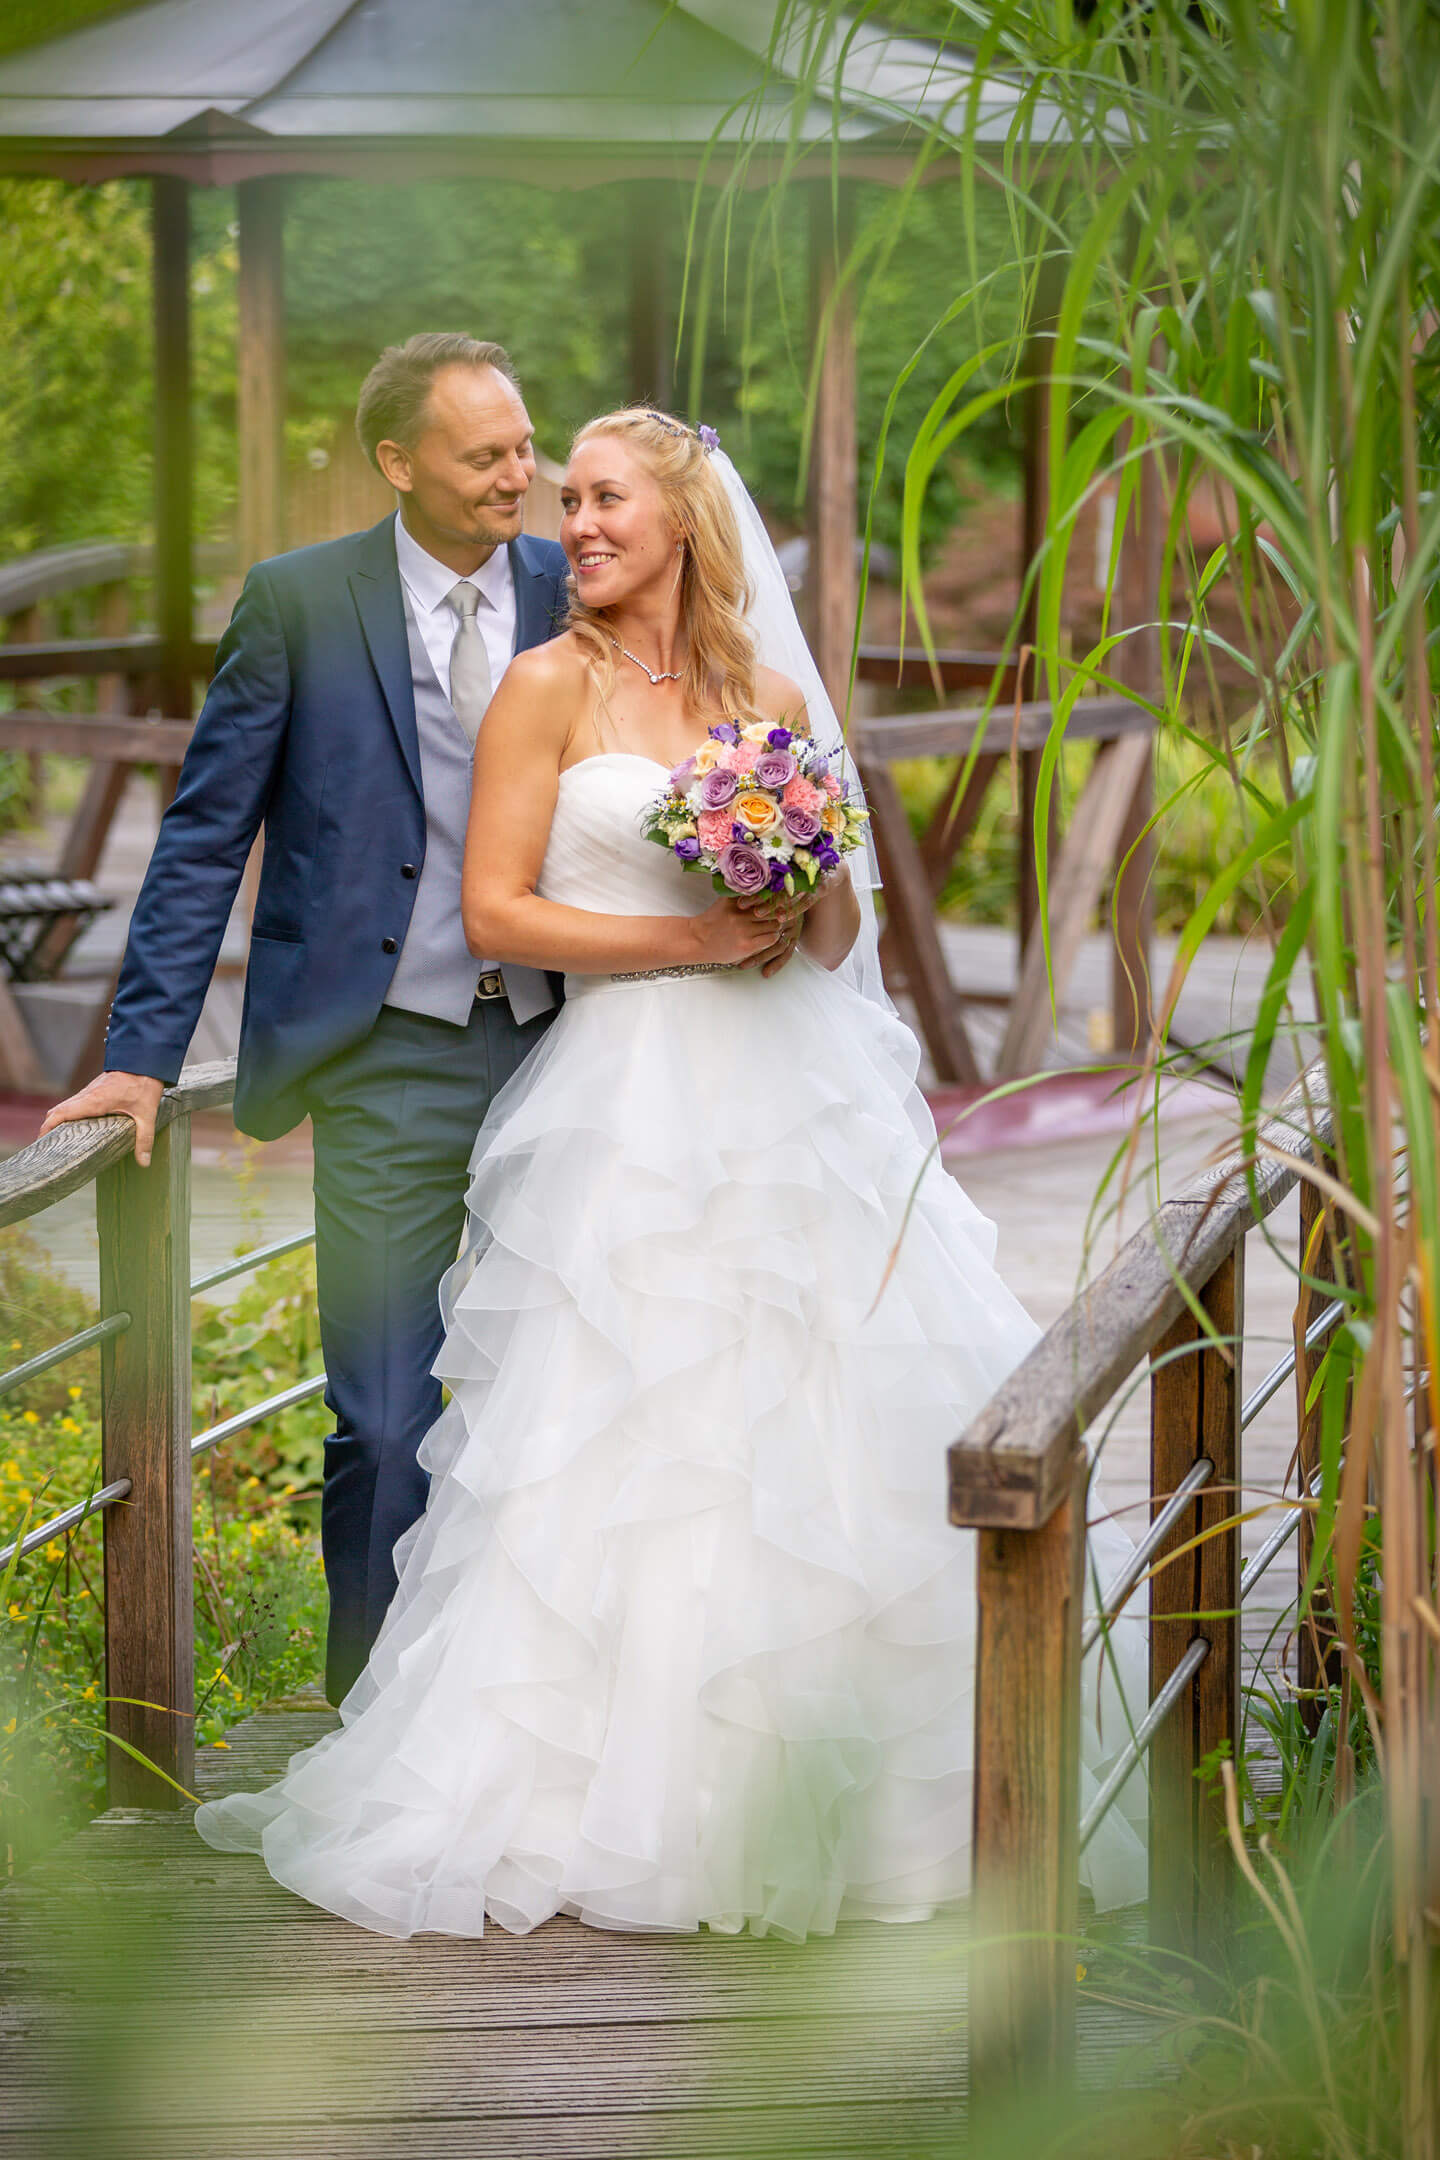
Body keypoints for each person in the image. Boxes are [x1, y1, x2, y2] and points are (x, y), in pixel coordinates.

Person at [194, 406, 1147, 1937]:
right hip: (624, 1098)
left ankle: (851, 1799)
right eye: (566, 500)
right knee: (626, 1423)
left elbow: (835, 941)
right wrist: (689, 933)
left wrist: (792, 866)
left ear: (686, 521)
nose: (573, 524)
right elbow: (498, 913)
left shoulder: (770, 695)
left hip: (793, 1094)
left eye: (604, 499)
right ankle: (613, 1797)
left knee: (814, 1414)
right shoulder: (543, 687)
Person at [40, 335, 571, 1706]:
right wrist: (140, 1060)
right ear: (398, 462)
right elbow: (203, 839)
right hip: (386, 1057)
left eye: (525, 446)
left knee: (569, 1406)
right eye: (484, 455)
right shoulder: (296, 603)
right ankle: (370, 1724)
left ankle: (535, 1715)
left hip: (575, 1052)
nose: (519, 475)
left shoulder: (579, 587)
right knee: (384, 1419)